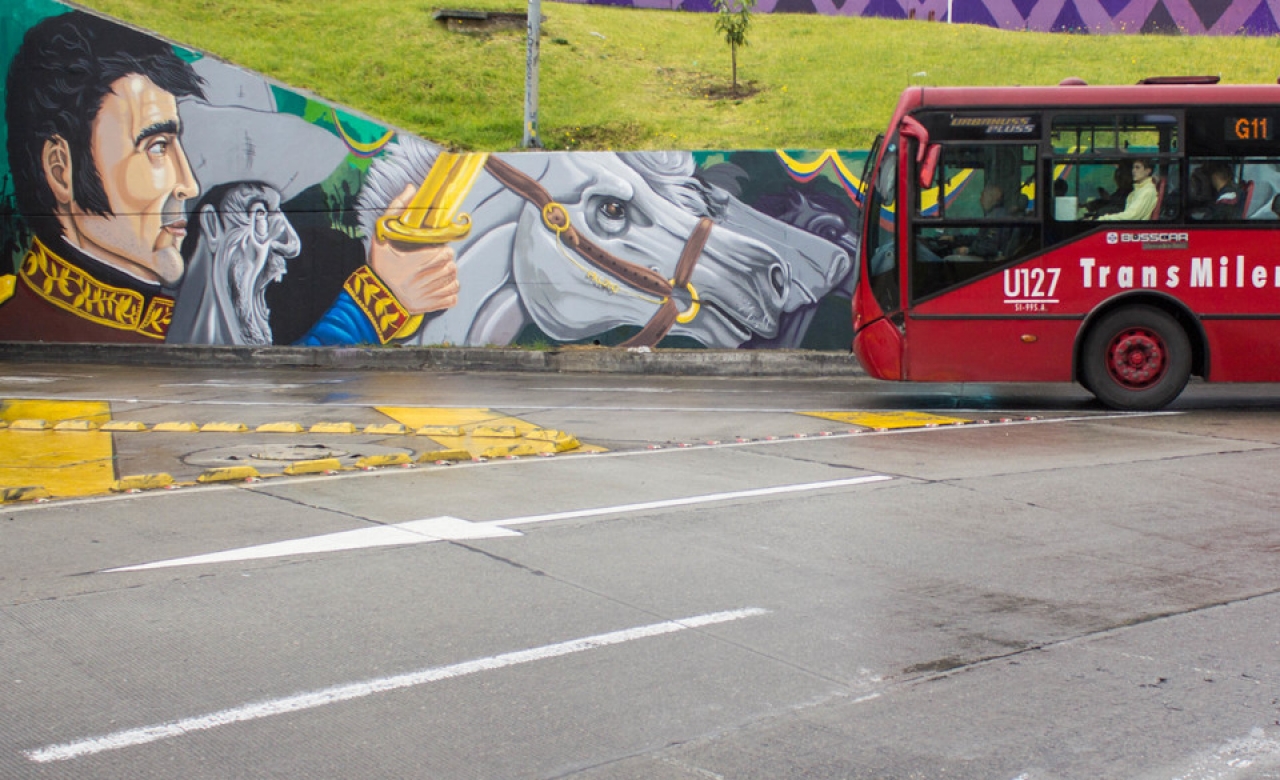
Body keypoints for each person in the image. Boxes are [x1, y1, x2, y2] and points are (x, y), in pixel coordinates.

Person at [1, 11, 458, 345]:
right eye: (157, 147)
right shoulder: (31, 326)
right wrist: (377, 303)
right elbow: (284, 405)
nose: (188, 183)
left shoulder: (164, 317)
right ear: (62, 170)